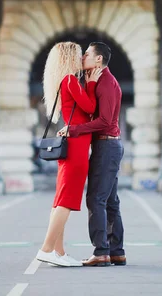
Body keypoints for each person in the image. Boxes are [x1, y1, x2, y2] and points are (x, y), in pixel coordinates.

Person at [58, 42, 126, 267]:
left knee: (95, 199)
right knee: (110, 201)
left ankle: (101, 251)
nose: (82, 57)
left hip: (106, 146)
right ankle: (116, 251)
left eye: (86, 54)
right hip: (108, 145)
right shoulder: (101, 81)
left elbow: (104, 121)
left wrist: (73, 129)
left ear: (99, 59)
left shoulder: (105, 83)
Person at [35, 41, 103, 267]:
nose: (81, 58)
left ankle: (59, 252)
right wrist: (92, 85)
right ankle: (46, 249)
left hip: (71, 145)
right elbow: (91, 108)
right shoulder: (71, 80)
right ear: (69, 58)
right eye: (78, 54)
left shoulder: (63, 81)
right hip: (77, 147)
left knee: (60, 199)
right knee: (67, 200)